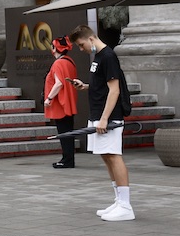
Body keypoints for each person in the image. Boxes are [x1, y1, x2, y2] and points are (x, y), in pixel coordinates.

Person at [68, 24, 135, 222]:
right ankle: (118, 201)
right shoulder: (99, 57)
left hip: (109, 116)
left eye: (81, 45)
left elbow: (114, 90)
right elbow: (103, 85)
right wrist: (87, 86)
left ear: (90, 39)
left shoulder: (108, 56)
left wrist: (105, 118)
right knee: (106, 156)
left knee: (114, 156)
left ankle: (125, 205)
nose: (81, 49)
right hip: (99, 114)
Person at [44, 35, 79, 169]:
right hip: (68, 102)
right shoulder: (69, 61)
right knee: (68, 132)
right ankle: (68, 159)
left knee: (64, 133)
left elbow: (58, 84)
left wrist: (49, 98)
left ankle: (67, 160)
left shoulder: (58, 63)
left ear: (55, 48)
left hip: (61, 103)